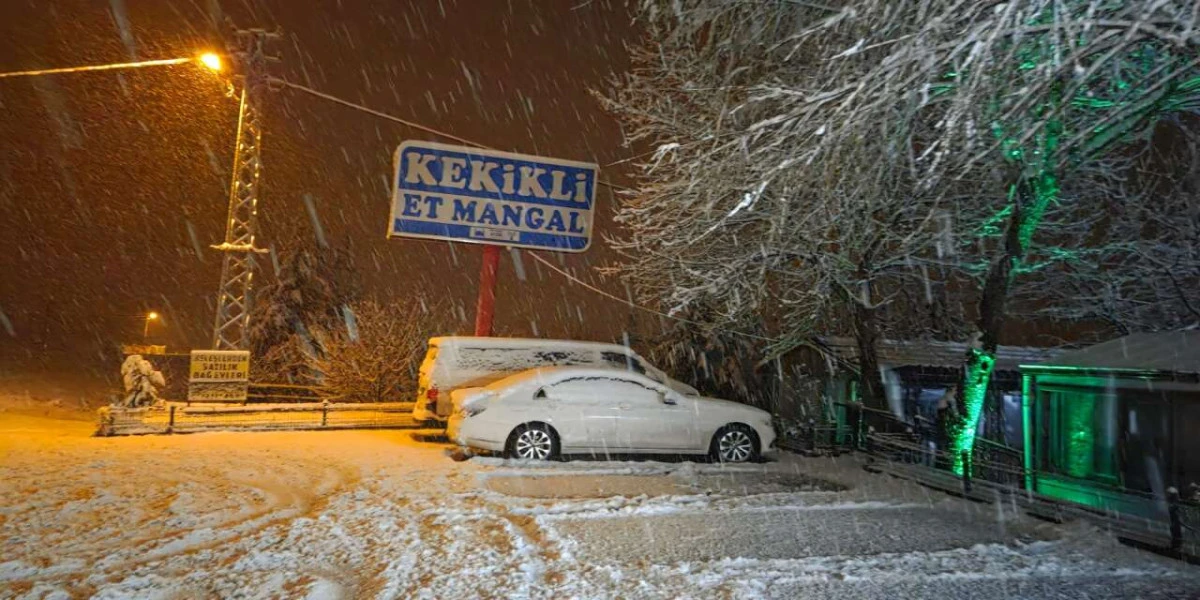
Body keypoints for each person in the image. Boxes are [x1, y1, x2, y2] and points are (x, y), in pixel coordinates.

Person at [934, 385, 958, 470]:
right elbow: (955, 414)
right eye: (955, 390)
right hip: (946, 426)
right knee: (946, 445)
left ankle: (942, 463)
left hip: (941, 426)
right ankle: (946, 464)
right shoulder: (950, 399)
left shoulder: (942, 399)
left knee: (942, 445)